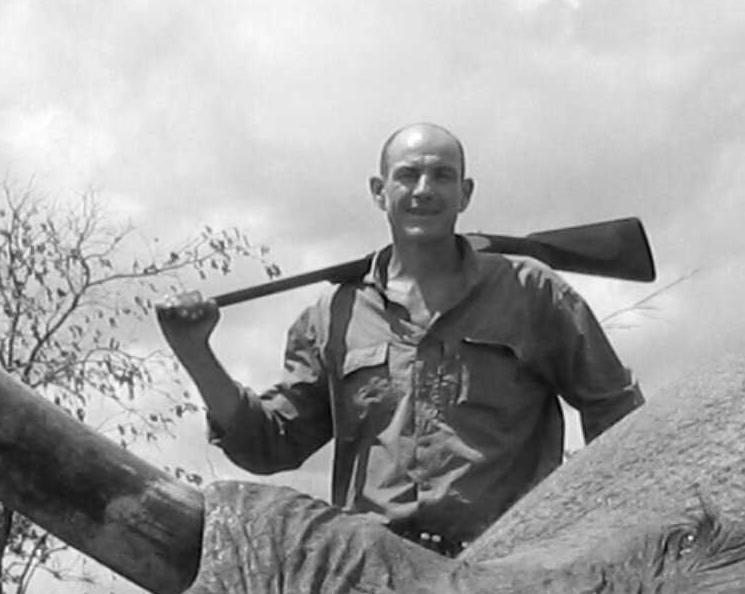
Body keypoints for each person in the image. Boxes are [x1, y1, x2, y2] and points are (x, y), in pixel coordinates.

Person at [158, 123, 641, 555]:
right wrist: (195, 353)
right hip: (376, 582)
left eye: (442, 176)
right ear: (379, 190)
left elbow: (617, 415)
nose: (424, 190)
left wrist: (598, 534)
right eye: (408, 175)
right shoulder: (333, 316)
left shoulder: (531, 291)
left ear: (465, 193)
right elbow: (270, 445)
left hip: (507, 574)